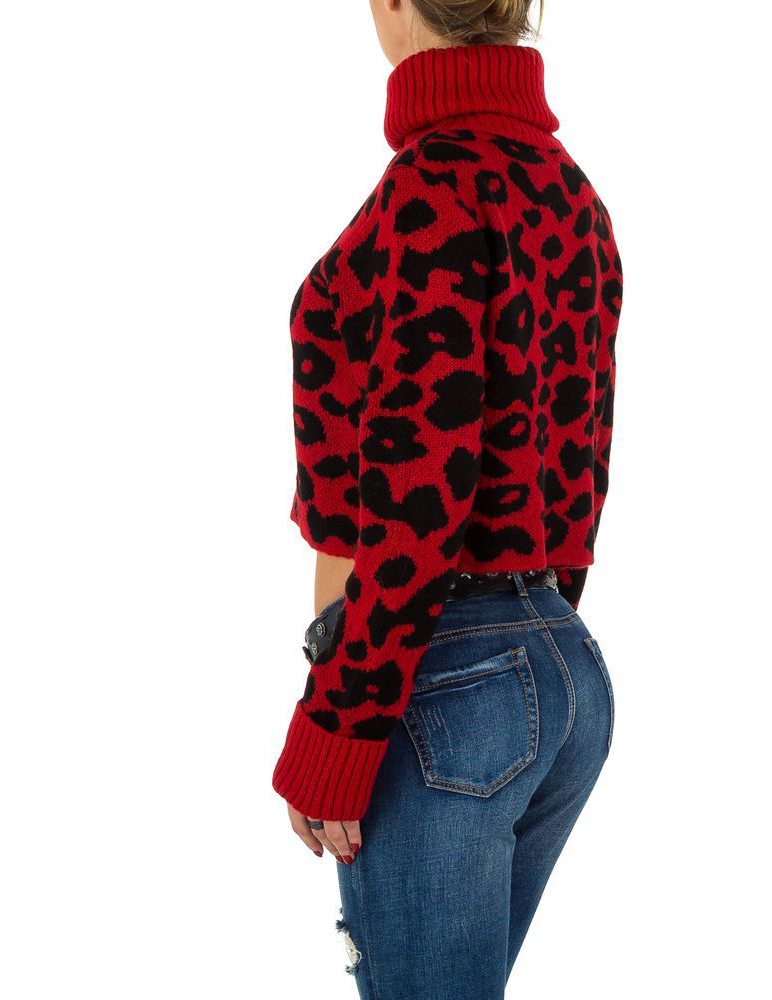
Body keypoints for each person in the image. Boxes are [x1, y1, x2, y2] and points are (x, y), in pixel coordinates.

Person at [272, 1, 622, 995]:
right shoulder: (571, 193)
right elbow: (581, 459)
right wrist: (531, 648)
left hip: (434, 681)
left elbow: (418, 501)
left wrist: (337, 720)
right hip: (562, 666)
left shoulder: (427, 193)